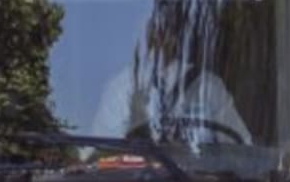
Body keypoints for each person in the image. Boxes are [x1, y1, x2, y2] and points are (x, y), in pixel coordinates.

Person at [89, 59, 252, 145]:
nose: (161, 34)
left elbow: (241, 154)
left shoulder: (208, 87)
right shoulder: (121, 89)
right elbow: (102, 156)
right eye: (154, 28)